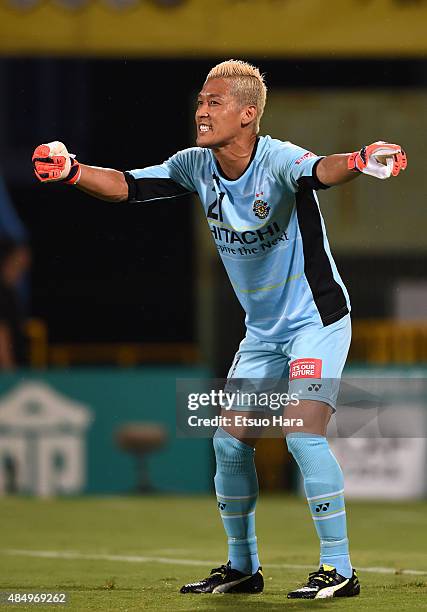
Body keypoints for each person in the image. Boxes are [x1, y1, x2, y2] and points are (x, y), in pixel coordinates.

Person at [32, 59, 407, 599]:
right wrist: (73, 171)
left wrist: (361, 159)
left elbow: (321, 170)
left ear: (247, 113)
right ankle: (242, 567)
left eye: (213, 103)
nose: (201, 112)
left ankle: (339, 568)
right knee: (229, 442)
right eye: (200, 103)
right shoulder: (194, 165)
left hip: (316, 320)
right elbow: (126, 186)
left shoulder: (277, 160)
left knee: (302, 432)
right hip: (263, 333)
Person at [0, 240, 31, 368]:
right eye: (21, 253)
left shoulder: (11, 291)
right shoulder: (2, 292)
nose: (27, 257)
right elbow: (1, 332)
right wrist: (9, 371)